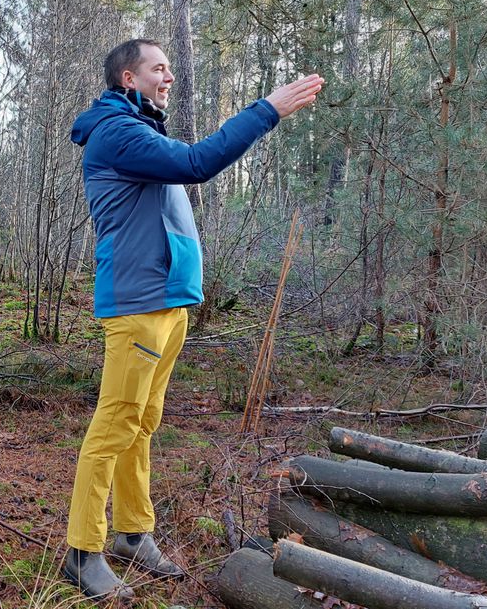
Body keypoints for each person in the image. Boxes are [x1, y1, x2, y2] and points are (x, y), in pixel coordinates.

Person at [63, 39, 324, 601]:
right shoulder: (117, 132)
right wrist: (268, 108)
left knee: (143, 423)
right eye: (160, 68)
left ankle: (133, 532)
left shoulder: (140, 129)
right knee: (114, 425)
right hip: (137, 304)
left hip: (167, 301)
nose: (170, 77)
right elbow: (197, 164)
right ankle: (82, 551)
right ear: (129, 79)